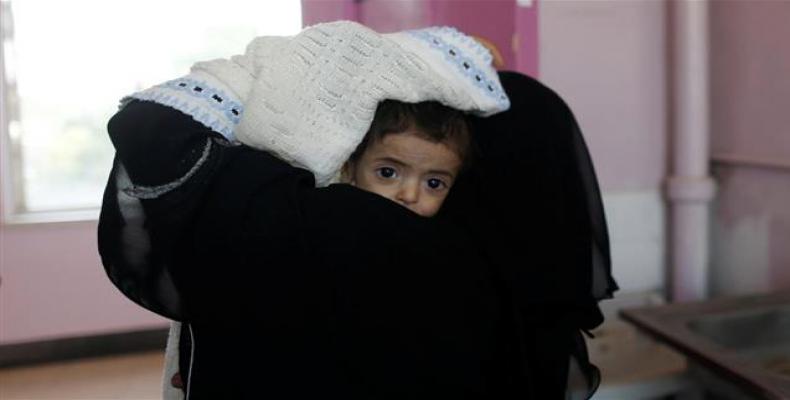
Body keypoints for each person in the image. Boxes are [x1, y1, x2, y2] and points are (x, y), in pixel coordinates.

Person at [100, 22, 518, 399]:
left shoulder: (442, 251)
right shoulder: (310, 220)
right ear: (349, 166)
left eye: (433, 183)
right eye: (388, 172)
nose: (409, 194)